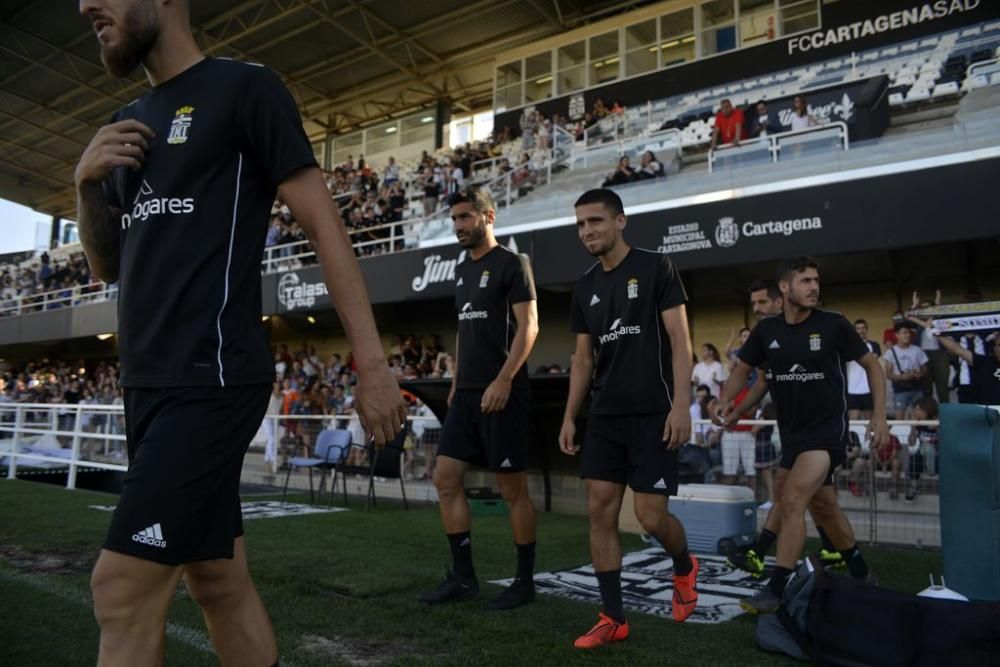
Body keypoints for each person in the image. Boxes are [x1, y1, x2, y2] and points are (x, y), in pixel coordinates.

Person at [75, 2, 407, 665]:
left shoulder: (245, 88)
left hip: (213, 377)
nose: (86, 5)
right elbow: (106, 264)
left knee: (119, 587)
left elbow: (323, 225)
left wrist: (372, 365)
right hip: (145, 384)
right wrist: (85, 187)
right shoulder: (122, 126)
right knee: (217, 578)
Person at [559, 188, 698, 648]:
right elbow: (582, 359)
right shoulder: (585, 286)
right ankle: (612, 617)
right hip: (604, 415)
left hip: (654, 413)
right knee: (599, 511)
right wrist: (569, 416)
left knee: (650, 518)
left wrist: (682, 404)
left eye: (595, 221)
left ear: (621, 221)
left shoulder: (656, 267)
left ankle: (684, 564)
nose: (587, 231)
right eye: (580, 224)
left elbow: (680, 340)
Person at [720, 257, 890, 614]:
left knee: (793, 498)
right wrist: (727, 403)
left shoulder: (833, 325)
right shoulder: (767, 332)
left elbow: (873, 365)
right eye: (806, 280)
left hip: (828, 432)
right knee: (824, 508)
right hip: (792, 435)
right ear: (785, 287)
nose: (814, 286)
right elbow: (744, 372)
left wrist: (879, 416)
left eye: (816, 280)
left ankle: (776, 588)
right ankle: (861, 573)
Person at [419, 186, 540, 610]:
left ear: (489, 217)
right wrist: (455, 379)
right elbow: (463, 329)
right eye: (454, 220)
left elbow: (530, 327)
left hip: (503, 393)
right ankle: (463, 577)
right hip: (466, 395)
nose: (458, 227)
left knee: (512, 489)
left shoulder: (513, 264)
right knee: (445, 479)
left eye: (466, 218)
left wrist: (504, 379)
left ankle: (524, 582)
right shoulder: (461, 270)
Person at [936, 331, 1000, 405]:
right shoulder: (985, 362)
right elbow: (957, 349)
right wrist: (935, 331)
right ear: (994, 348)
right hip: (989, 411)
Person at [882, 322, 928, 418]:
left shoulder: (917, 350)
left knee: (918, 417)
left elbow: (925, 370)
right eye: (904, 332)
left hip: (917, 387)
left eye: (908, 332)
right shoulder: (891, 352)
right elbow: (888, 374)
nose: (907, 335)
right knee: (899, 418)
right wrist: (902, 377)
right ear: (897, 335)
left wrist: (919, 374)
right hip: (900, 389)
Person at [847, 319, 882, 420]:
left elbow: (872, 360)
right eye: (858, 329)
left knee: (869, 421)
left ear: (867, 330)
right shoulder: (848, 346)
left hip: (869, 388)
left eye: (863, 328)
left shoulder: (874, 345)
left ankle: (867, 437)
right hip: (852, 389)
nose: (861, 331)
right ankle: (853, 437)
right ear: (854, 331)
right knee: (853, 420)